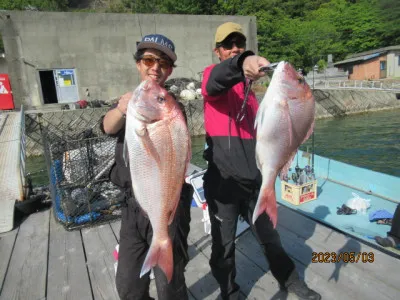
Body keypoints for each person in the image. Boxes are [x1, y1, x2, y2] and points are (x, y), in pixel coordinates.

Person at [201, 22, 321, 300]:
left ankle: (290, 281)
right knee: (224, 244)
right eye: (228, 45)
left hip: (256, 181)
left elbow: (275, 134)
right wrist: (243, 61)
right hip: (223, 183)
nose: (234, 48)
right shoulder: (212, 77)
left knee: (270, 238)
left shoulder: (253, 95)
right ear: (217, 51)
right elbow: (217, 79)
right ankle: (228, 291)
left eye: (239, 44)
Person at [101, 33, 193, 300]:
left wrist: (150, 105)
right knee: (128, 286)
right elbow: (107, 127)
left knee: (170, 285)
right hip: (133, 207)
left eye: (163, 63)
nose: (156, 68)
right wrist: (121, 108)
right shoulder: (130, 104)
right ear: (138, 64)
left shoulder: (171, 110)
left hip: (168, 208)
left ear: (171, 71)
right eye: (149, 60)